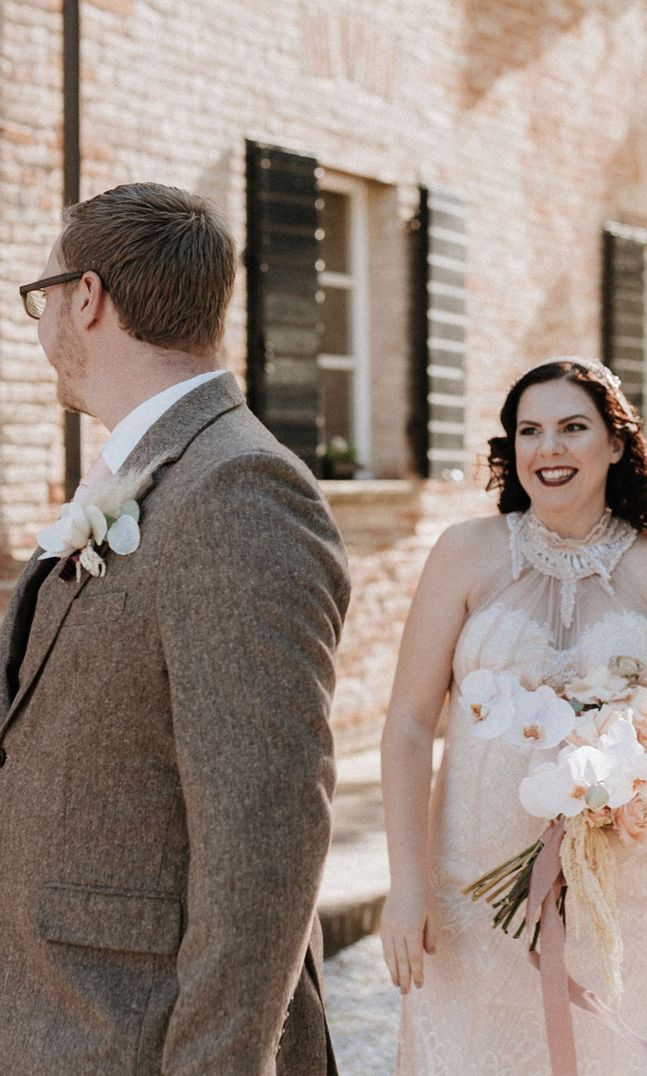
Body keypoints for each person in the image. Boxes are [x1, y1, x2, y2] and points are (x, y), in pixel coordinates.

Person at [4, 182, 350, 1074]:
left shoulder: (239, 491)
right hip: (57, 1015)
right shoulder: (156, 468)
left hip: (135, 1035)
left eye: (42, 298)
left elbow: (264, 839)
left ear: (87, 298)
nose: (41, 326)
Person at [380, 357, 647, 1074]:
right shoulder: (463, 554)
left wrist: (627, 773)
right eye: (529, 431)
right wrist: (406, 887)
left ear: (616, 443)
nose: (549, 449)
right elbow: (409, 725)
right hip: (466, 900)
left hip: (620, 902)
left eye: (572, 428)